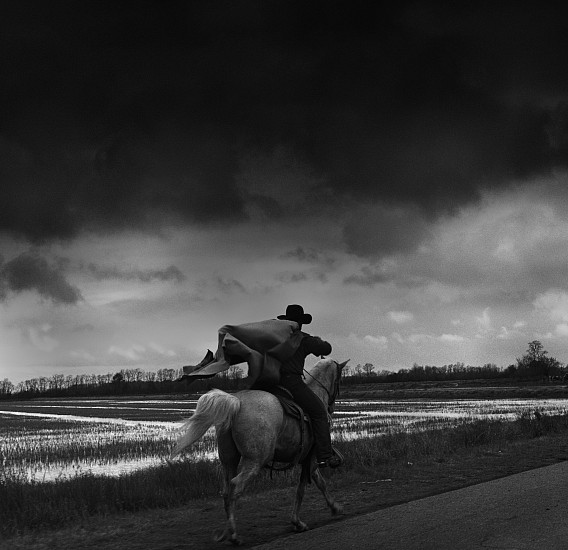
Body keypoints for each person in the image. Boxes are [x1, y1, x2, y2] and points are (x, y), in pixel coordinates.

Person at [273, 304, 341, 469]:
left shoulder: (274, 337)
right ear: (300, 323)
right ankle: (324, 456)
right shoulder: (303, 339)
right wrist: (316, 341)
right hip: (291, 383)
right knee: (319, 413)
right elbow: (327, 348)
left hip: (270, 382)